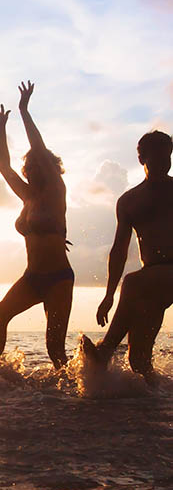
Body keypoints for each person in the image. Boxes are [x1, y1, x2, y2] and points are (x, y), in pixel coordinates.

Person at [0, 81, 73, 368]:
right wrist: (0, 127)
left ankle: (76, 398)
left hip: (59, 278)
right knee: (1, 314)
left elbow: (38, 145)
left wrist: (24, 110)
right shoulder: (27, 196)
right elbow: (2, 166)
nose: (33, 168)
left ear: (51, 167)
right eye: (30, 166)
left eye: (40, 164)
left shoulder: (55, 191)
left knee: (54, 350)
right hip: (32, 278)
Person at [81, 130, 173, 382]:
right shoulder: (129, 201)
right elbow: (119, 250)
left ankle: (105, 350)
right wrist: (109, 294)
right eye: (158, 156)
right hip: (153, 282)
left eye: (168, 156)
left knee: (132, 282)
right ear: (142, 158)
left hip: (164, 274)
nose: (165, 162)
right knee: (138, 360)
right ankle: (155, 404)